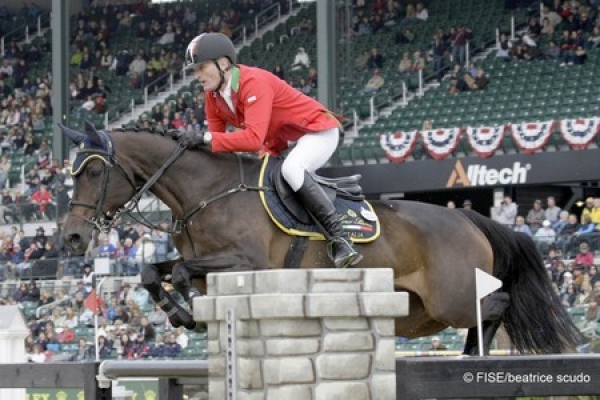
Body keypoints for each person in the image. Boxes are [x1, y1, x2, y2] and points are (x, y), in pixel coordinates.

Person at [172, 33, 361, 269]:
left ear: (223, 63)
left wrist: (204, 137)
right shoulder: (213, 97)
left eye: (201, 68)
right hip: (280, 143)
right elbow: (218, 147)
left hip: (316, 131)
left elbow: (251, 140)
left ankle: (340, 238)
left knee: (292, 169)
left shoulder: (254, 82)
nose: (196, 76)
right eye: (194, 70)